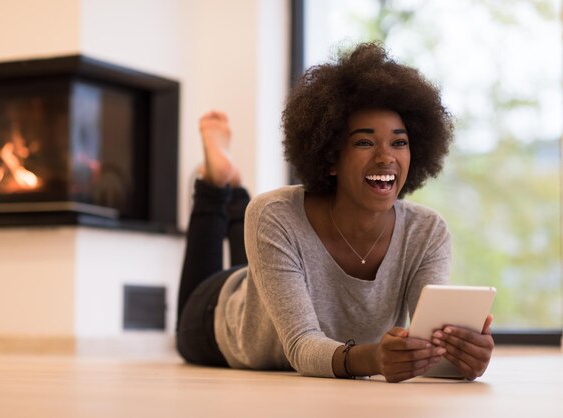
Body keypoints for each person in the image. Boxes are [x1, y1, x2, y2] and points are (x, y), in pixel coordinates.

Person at [176, 42, 494, 383]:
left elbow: (430, 345)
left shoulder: (426, 232)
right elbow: (300, 346)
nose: (387, 157)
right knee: (191, 313)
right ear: (330, 158)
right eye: (364, 142)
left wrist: (463, 357)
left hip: (275, 275)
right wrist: (374, 357)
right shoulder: (275, 214)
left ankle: (232, 186)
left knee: (258, 263)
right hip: (220, 318)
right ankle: (215, 187)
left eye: (399, 142)